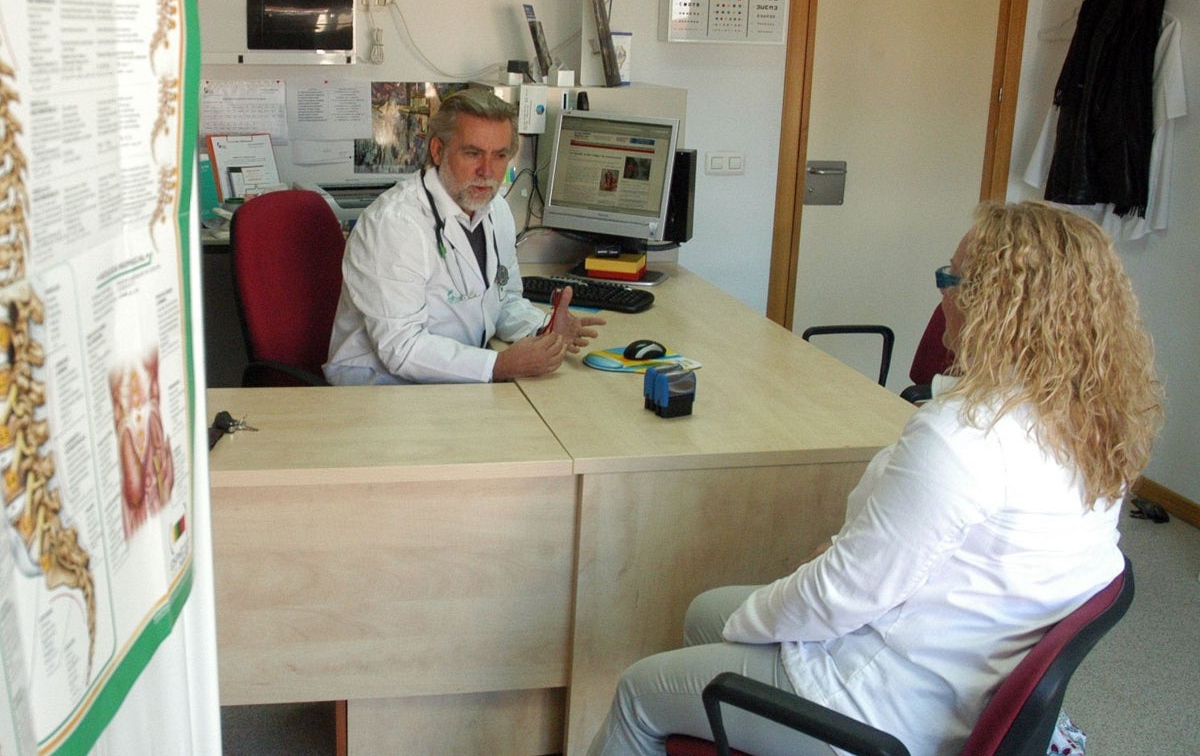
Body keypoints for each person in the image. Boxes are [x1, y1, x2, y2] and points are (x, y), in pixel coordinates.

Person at [587, 201, 1162, 756]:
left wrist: (762, 615)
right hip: (963, 672)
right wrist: (833, 569)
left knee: (643, 690)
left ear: (997, 305)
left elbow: (840, 598)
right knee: (703, 612)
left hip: (883, 707)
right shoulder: (1089, 421)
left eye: (951, 278)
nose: (941, 294)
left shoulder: (960, 441)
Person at [324, 88, 604, 384]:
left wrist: (543, 329)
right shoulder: (394, 225)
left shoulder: (495, 211)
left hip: (450, 384)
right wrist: (499, 365)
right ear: (437, 151)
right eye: (473, 153)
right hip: (377, 390)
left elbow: (502, 300)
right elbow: (401, 348)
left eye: (499, 156)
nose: (487, 170)